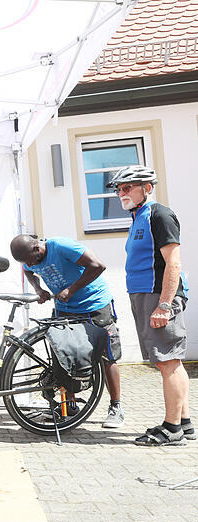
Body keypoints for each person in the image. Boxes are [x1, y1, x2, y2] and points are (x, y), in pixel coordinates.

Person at [108, 164, 193, 446]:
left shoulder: (159, 214)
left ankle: (171, 429)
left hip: (159, 296)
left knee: (168, 361)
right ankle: (183, 422)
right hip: (145, 295)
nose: (122, 193)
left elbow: (174, 262)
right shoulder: (138, 216)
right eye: (119, 189)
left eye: (128, 187)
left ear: (147, 187)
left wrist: (165, 305)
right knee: (168, 361)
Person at [10, 235, 124, 427]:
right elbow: (28, 271)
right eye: (25, 262)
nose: (29, 264)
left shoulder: (61, 247)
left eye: (30, 260)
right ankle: (69, 405)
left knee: (107, 357)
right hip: (65, 308)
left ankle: (116, 408)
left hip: (94, 305)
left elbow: (98, 266)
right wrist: (39, 289)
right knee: (63, 356)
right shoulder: (29, 258)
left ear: (37, 248)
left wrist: (71, 290)